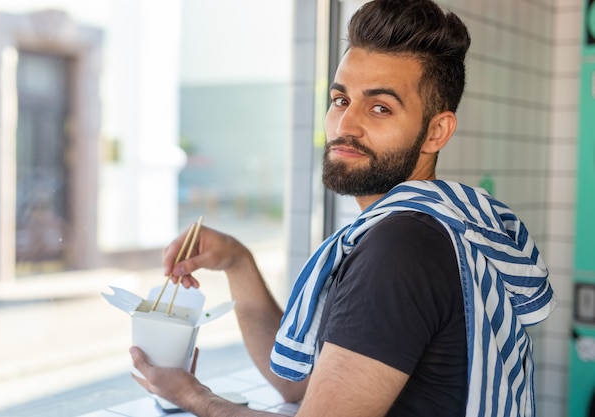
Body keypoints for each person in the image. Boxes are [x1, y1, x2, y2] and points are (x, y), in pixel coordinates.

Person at [129, 0, 556, 415]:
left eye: (380, 107)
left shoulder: (402, 247)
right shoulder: (437, 227)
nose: (346, 124)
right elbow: (299, 383)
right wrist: (238, 262)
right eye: (340, 99)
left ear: (436, 132)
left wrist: (194, 397)